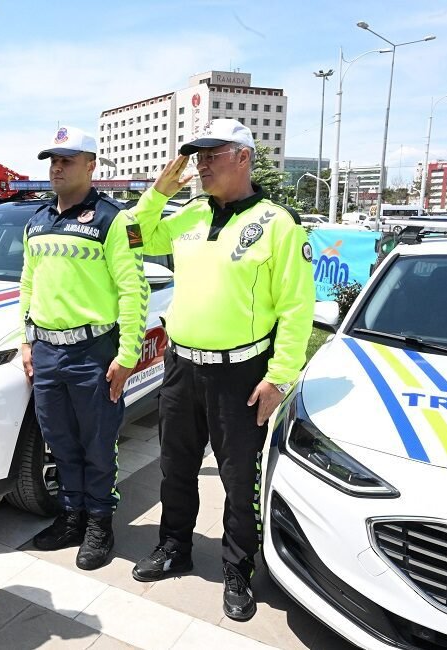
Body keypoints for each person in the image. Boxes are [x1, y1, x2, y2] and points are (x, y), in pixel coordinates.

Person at [129, 119, 314, 621]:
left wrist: (279, 376)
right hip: (181, 366)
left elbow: (297, 310)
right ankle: (174, 547)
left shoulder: (278, 223)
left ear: (243, 157)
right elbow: (132, 238)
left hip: (242, 374)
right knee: (175, 467)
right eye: (198, 154)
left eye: (212, 154)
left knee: (238, 478)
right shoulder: (187, 214)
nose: (201, 164)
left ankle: (238, 569)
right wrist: (156, 193)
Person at [20, 126, 148, 571]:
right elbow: (28, 283)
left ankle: (99, 523)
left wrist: (127, 355)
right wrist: (25, 338)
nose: (56, 167)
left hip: (93, 352)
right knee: (59, 441)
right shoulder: (37, 221)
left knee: (97, 442)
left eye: (67, 160)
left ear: (91, 165)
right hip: (48, 352)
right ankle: (71, 517)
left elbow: (134, 290)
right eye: (52, 160)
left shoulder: (116, 221)